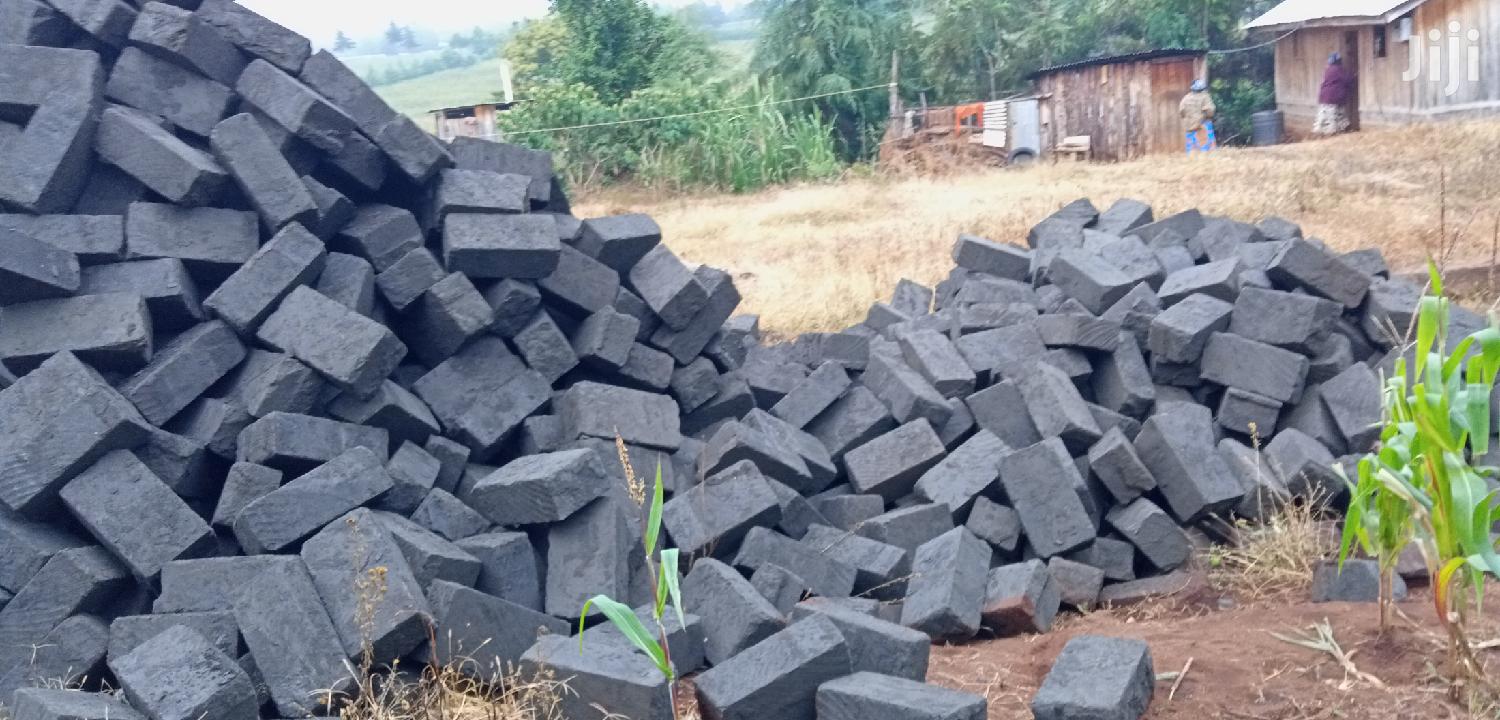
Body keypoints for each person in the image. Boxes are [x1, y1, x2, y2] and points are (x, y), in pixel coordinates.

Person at [1314, 52, 1354, 136]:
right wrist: (1353, 76)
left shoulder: (1328, 70)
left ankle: (1319, 132)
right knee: (1334, 118)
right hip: (1334, 97)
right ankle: (1333, 133)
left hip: (1324, 97)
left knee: (1324, 117)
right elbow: (1346, 80)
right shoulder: (1338, 70)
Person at [1179, 79, 1217, 154]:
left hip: (1189, 126)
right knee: (1206, 143)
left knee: (1191, 146)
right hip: (1202, 125)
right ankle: (1207, 153)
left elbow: (1181, 111)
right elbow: (1210, 111)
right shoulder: (1205, 97)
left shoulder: (1186, 98)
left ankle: (1191, 154)